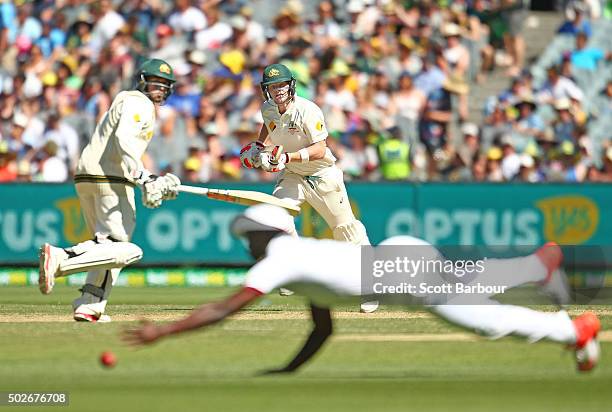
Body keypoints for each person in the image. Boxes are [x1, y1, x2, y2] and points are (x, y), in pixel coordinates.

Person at [123, 204, 601, 374]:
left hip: (397, 269)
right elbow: (322, 330)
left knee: (484, 318)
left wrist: (163, 331)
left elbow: (225, 309)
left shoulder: (283, 259)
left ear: (262, 238)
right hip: (397, 258)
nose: (248, 249)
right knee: (469, 296)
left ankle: (561, 311)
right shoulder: (299, 258)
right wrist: (286, 372)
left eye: (249, 240)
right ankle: (551, 297)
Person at [38, 58, 181, 323]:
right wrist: (143, 177)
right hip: (110, 176)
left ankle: (90, 304)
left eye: (164, 85)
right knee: (124, 248)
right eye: (155, 83)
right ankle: (61, 258)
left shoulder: (127, 100)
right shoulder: (139, 102)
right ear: (142, 81)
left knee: (105, 245)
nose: (159, 89)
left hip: (90, 174)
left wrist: (150, 179)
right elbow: (123, 139)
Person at [238, 63, 375, 312]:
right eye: (272, 86)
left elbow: (320, 149)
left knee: (345, 228)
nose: (277, 90)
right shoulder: (267, 108)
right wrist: (260, 148)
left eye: (281, 85)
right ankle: (290, 270)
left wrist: (286, 158)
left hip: (321, 173)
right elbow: (270, 127)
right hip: (292, 175)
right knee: (276, 216)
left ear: (290, 85)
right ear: (265, 89)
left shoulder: (308, 110)